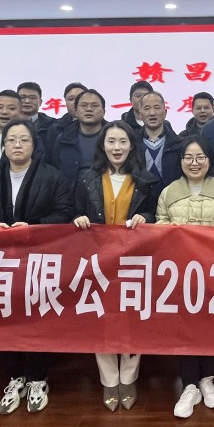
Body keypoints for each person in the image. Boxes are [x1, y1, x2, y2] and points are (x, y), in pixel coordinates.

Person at [0, 118, 72, 415]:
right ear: (3, 146)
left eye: (24, 139)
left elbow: (65, 213)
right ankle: (15, 378)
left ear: (34, 145)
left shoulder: (53, 177)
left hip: (40, 260)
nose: (17, 145)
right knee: (7, 319)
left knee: (37, 319)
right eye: (11, 140)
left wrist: (34, 227)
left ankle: (38, 379)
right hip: (1, 263)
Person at [72, 120, 158, 411]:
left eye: (123, 141)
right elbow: (75, 212)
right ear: (103, 146)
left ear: (132, 146)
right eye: (111, 141)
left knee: (132, 320)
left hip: (134, 261)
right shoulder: (87, 179)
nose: (117, 147)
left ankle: (129, 378)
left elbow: (155, 214)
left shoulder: (147, 180)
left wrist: (147, 218)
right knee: (102, 319)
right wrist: (78, 219)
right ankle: (109, 380)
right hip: (98, 261)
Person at [158, 135, 214, 418]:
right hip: (180, 274)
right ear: (180, 161)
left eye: (200, 157)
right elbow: (160, 231)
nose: (194, 163)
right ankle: (189, 385)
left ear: (209, 160)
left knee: (211, 326)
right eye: (188, 158)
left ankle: (207, 379)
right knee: (185, 328)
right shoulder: (168, 193)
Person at [47, 89, 107, 183]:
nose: (89, 109)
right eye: (83, 105)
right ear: (76, 111)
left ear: (104, 111)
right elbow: (55, 169)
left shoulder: (113, 138)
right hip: (69, 190)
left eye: (94, 105)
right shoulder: (63, 139)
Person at [136, 91, 182, 193]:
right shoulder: (132, 145)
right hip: (141, 201)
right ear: (140, 114)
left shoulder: (179, 144)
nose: (152, 113)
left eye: (157, 108)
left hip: (171, 199)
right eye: (147, 108)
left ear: (165, 112)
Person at [41, 82, 87, 151]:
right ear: (66, 102)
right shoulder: (55, 129)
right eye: (71, 99)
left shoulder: (102, 127)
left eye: (80, 98)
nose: (76, 102)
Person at [16, 81, 58, 147]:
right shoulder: (6, 122)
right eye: (23, 97)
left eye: (32, 98)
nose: (27, 101)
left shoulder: (52, 125)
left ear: (40, 102)